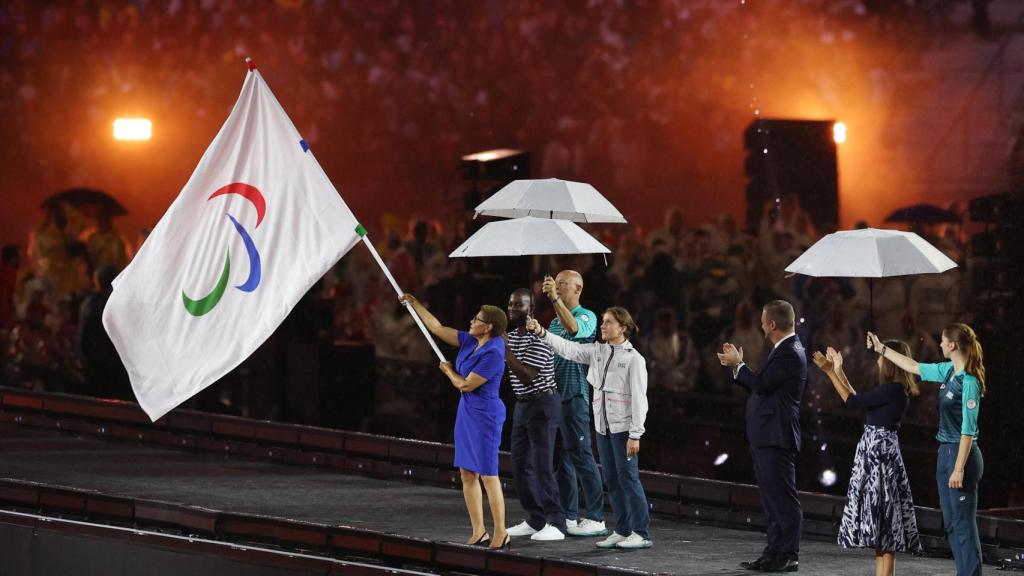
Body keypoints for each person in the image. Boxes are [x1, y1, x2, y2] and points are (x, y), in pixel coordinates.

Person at [526, 307, 653, 549]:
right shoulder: (598, 351)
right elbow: (569, 349)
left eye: (608, 323)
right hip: (603, 429)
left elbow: (640, 399)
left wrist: (635, 434)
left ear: (623, 328)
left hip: (624, 430)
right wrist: (542, 332)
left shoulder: (634, 359)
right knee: (612, 479)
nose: (603, 326)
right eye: (603, 322)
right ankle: (623, 529)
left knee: (629, 479)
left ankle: (641, 532)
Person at [867, 324, 986, 576]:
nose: (939, 345)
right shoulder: (948, 372)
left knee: (964, 523)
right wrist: (882, 349)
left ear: (952, 345)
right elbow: (913, 366)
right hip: (946, 452)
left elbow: (968, 428)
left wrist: (958, 468)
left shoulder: (970, 382)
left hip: (961, 455)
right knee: (952, 524)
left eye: (942, 341)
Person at [398, 294, 509, 549]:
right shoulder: (472, 340)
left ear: (489, 326)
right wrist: (415, 304)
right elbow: (436, 328)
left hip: (486, 414)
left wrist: (448, 370)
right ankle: (479, 530)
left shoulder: (494, 351)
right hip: (467, 412)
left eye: (477, 319)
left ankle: (501, 532)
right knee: (467, 473)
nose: (471, 321)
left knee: (488, 475)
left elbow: (466, 384)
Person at [812, 341, 922, 576]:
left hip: (879, 454)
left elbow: (851, 402)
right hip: (877, 452)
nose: (879, 360)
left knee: (885, 520)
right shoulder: (893, 389)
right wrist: (839, 370)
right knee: (883, 525)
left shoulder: (893, 389)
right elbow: (856, 399)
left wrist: (830, 371)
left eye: (883, 357)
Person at [717, 300, 807, 572]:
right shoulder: (783, 350)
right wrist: (738, 366)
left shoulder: (790, 352)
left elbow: (762, 385)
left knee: (782, 498)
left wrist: (738, 365)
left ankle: (788, 553)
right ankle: (774, 551)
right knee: (771, 498)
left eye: (762, 320)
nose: (759, 324)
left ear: (772, 324)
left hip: (776, 435)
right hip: (768, 435)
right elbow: (763, 386)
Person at [541, 270, 607, 538]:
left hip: (575, 396)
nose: (557, 286)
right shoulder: (553, 323)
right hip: (553, 397)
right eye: (556, 283)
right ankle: (568, 516)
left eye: (563, 283)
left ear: (578, 288)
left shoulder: (587, 316)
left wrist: (554, 300)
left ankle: (596, 517)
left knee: (581, 456)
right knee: (560, 460)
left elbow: (575, 330)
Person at [504, 289, 566, 542]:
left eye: (517, 305)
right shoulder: (511, 337)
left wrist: (504, 350)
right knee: (519, 465)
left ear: (530, 310)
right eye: (509, 303)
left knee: (542, 465)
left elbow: (528, 375)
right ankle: (536, 518)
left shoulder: (540, 337)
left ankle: (556, 521)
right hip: (522, 405)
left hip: (543, 403)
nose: (511, 308)